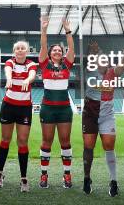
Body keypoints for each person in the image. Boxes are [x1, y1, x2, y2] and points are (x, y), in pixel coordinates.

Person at [82, 39, 124, 196]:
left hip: (106, 113)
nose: (102, 62)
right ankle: (87, 178)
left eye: (105, 60)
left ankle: (114, 181)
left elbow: (122, 66)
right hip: (90, 112)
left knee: (109, 144)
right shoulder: (89, 70)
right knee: (88, 146)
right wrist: (93, 50)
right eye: (99, 60)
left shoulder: (113, 72)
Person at [38, 17, 75, 189]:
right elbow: (43, 47)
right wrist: (43, 30)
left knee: (65, 141)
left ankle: (67, 175)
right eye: (55, 51)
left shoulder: (67, 66)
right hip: (47, 109)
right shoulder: (44, 65)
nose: (57, 52)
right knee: (47, 141)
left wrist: (68, 30)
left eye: (60, 50)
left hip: (64, 109)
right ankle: (44, 175)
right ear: (50, 53)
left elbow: (72, 48)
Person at [0, 40, 37, 192]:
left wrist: (27, 79)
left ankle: (23, 178)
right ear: (14, 51)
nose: (20, 50)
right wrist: (9, 79)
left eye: (23, 48)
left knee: (22, 141)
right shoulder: (9, 62)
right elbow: (8, 71)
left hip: (24, 108)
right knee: (5, 139)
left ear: (26, 51)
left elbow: (32, 75)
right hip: (8, 106)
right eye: (17, 48)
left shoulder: (31, 64)